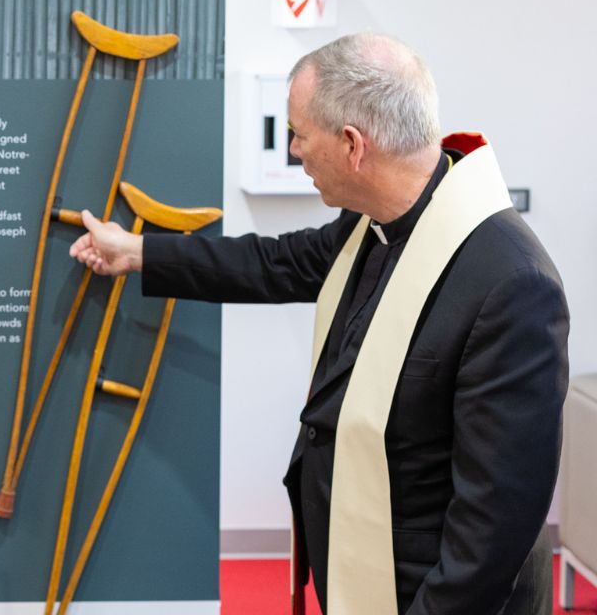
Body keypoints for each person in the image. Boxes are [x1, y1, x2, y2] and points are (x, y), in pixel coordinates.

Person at [69, 33, 568, 615]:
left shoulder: (512, 284)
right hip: (363, 573)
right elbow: (276, 263)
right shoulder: (378, 221)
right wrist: (137, 252)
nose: (294, 151)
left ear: (353, 145)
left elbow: (494, 526)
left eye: (300, 135)